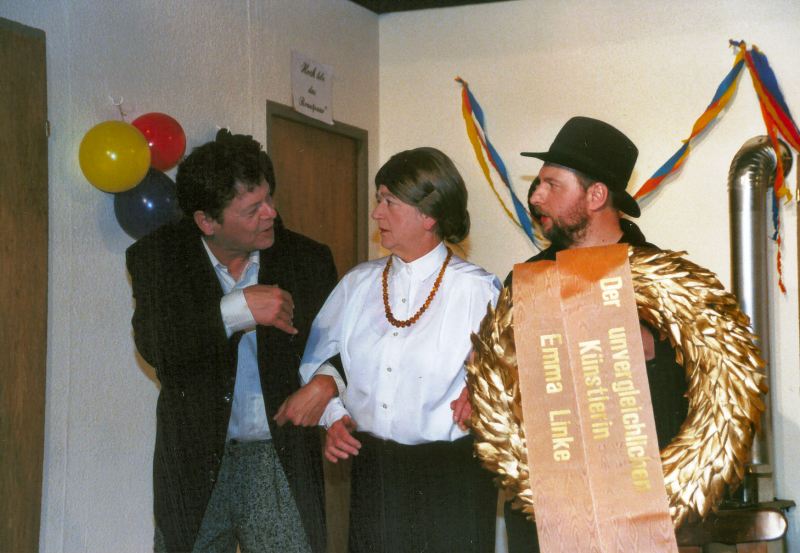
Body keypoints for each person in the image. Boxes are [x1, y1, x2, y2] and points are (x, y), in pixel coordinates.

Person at [126, 129, 339, 553]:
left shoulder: (307, 259)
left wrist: (326, 382)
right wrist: (238, 310)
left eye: (269, 198)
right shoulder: (158, 257)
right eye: (253, 209)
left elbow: (339, 346)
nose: (271, 214)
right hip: (195, 460)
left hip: (278, 456)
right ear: (207, 221)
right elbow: (157, 345)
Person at [291, 147, 501, 553]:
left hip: (451, 480)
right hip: (375, 475)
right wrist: (335, 417)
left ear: (429, 214)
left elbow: (507, 378)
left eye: (389, 201)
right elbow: (320, 359)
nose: (376, 213)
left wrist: (483, 393)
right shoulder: (357, 285)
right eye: (378, 199)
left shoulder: (477, 290)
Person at [499, 116, 690, 552]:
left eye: (551, 184)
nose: (536, 196)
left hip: (638, 505)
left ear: (596, 195)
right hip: (548, 508)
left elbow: (700, 384)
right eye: (538, 184)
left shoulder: (664, 279)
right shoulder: (526, 280)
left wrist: (652, 351)